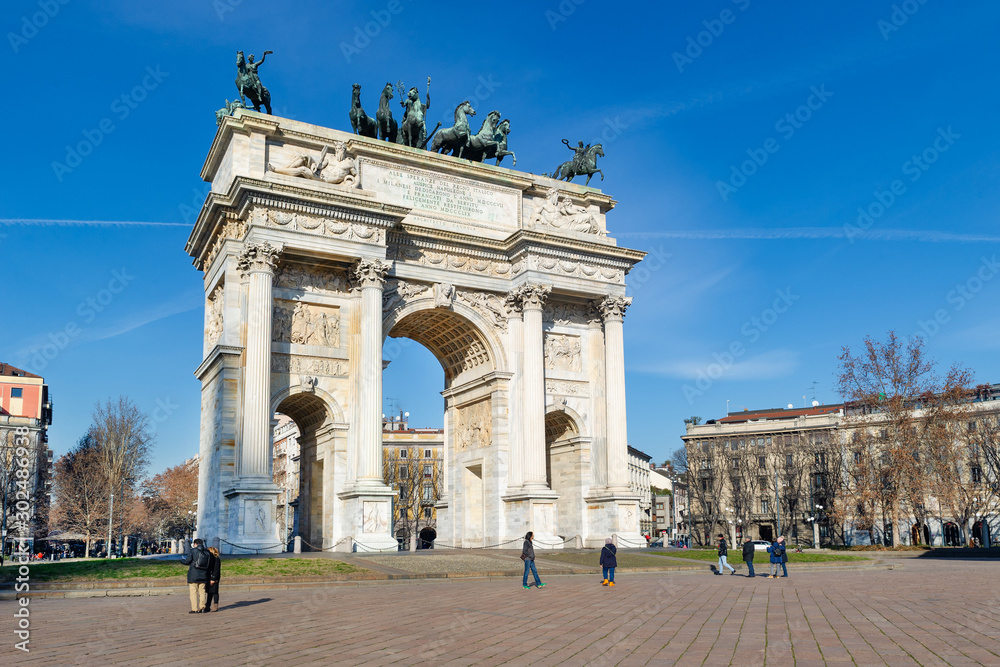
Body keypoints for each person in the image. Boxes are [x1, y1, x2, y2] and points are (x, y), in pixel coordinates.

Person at [181, 538, 211, 613]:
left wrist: (181, 560)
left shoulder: (193, 551)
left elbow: (187, 561)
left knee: (193, 592)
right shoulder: (207, 552)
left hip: (194, 574)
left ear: (195, 544)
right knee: (202, 591)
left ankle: (194, 608)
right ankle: (203, 607)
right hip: (203, 574)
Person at [203, 546, 222, 612]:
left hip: (214, 577)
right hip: (209, 576)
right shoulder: (210, 559)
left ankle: (215, 605)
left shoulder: (216, 559)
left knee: (215, 591)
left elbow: (216, 569)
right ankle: (207, 605)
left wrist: (213, 578)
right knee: (209, 592)